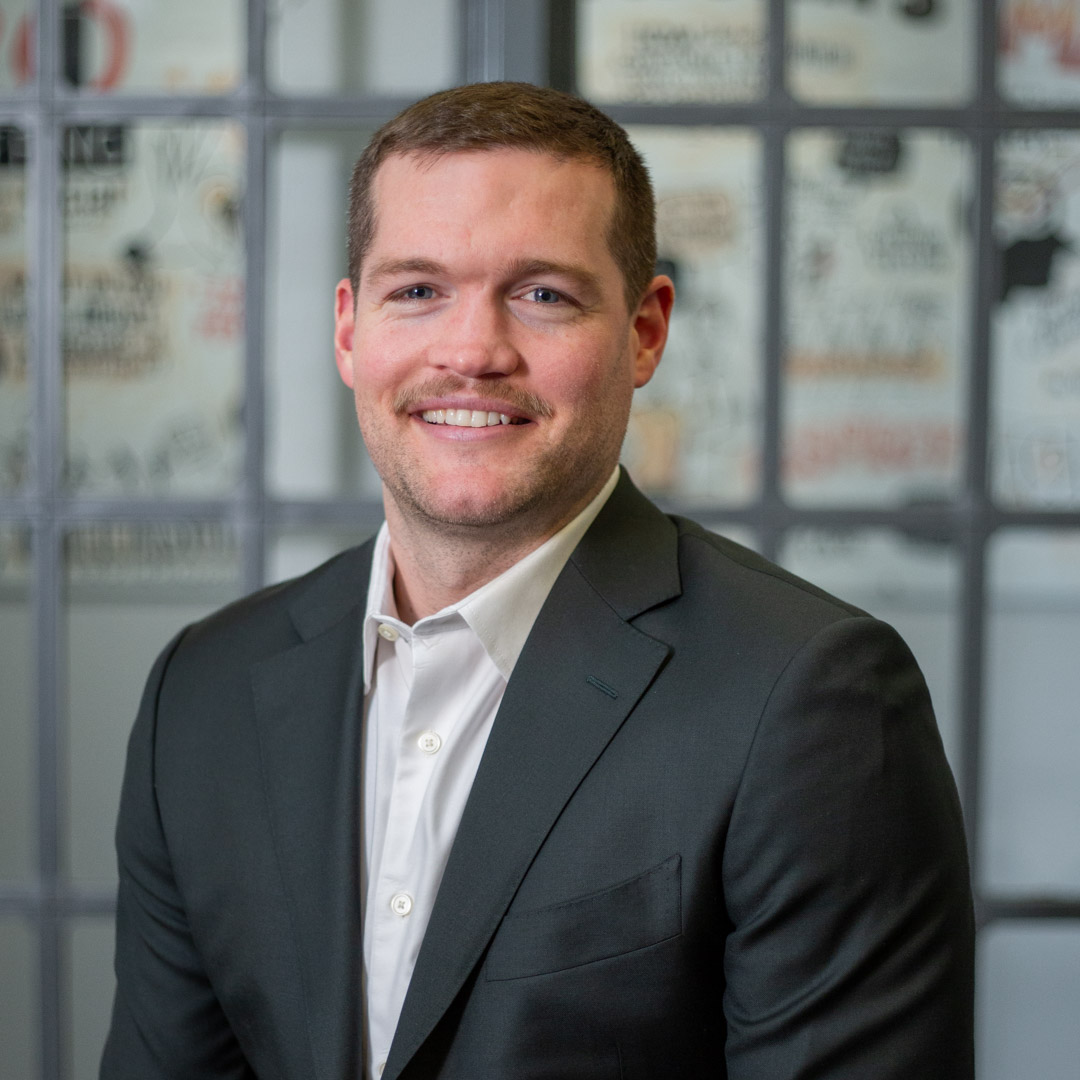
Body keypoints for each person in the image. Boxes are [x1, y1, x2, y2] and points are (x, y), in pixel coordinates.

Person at [101, 82, 974, 1080]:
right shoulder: (204, 692)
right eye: (417, 291)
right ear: (349, 330)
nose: (472, 351)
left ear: (645, 332)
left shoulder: (812, 702)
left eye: (543, 295)